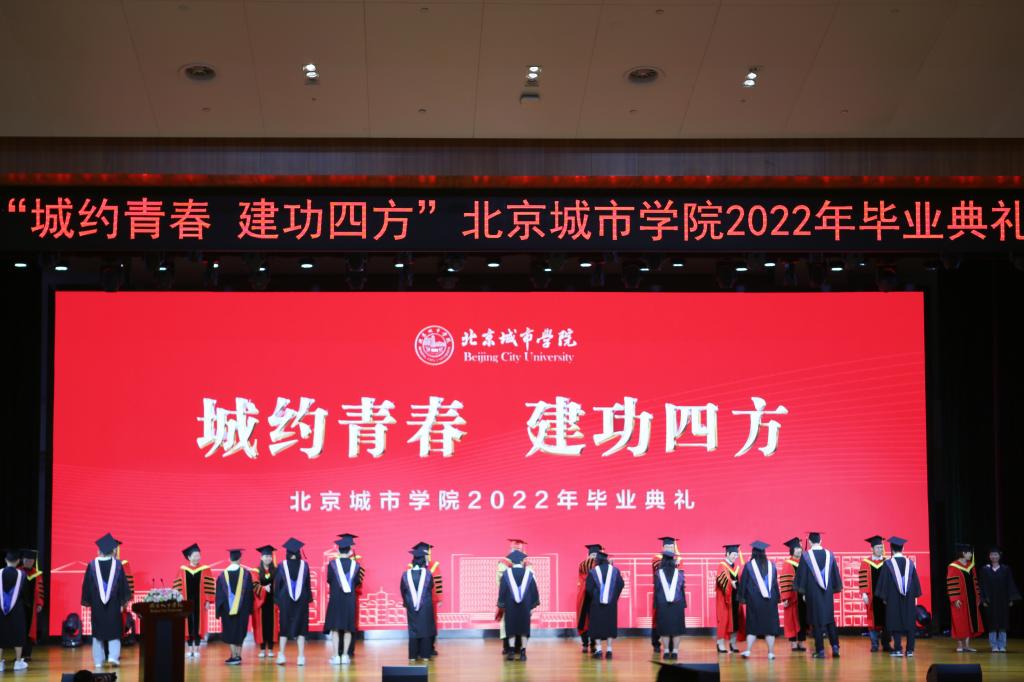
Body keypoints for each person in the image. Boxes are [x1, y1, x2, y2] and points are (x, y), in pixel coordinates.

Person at [80, 533, 131, 669]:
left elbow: (87, 585)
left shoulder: (92, 565)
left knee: (97, 633)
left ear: (100, 550)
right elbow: (123, 585)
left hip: (97, 604)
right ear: (112, 550)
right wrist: (123, 602)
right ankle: (113, 657)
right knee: (114, 630)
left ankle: (98, 660)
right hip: (114, 603)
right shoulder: (118, 565)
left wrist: (89, 601)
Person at [795, 531, 841, 658]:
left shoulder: (806, 556)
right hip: (827, 594)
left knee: (816, 621)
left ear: (809, 542)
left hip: (813, 593)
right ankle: (835, 647)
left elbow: (802, 576)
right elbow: (835, 574)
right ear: (821, 541)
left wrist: (803, 592)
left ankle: (820, 650)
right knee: (830, 620)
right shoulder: (829, 555)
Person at [875, 536, 921, 657]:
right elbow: (915, 583)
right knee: (910, 621)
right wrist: (915, 596)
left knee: (895, 621)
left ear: (891, 549)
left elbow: (884, 583)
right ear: (903, 548)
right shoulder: (910, 563)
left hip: (893, 598)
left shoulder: (888, 564)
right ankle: (910, 650)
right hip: (909, 598)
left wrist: (884, 597)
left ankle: (898, 649)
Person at [171, 543, 215, 659]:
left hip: (200, 602)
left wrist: (208, 601)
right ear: (189, 557)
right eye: (195, 555)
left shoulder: (205, 569)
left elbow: (209, 586)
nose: (197, 557)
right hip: (186, 602)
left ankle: (196, 649)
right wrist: (178, 600)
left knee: (198, 625)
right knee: (188, 624)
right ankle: (190, 648)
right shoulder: (182, 570)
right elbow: (177, 586)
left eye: (198, 555)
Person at [737, 540, 780, 660]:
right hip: (770, 602)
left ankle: (748, 651)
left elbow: (743, 583)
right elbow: (775, 584)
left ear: (753, 552)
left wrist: (741, 598)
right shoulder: (772, 565)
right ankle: (771, 653)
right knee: (769, 628)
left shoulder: (749, 566)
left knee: (753, 627)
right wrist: (777, 598)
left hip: (754, 601)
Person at [324, 534, 362, 665]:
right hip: (349, 600)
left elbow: (329, 580)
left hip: (336, 599)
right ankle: (345, 656)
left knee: (335, 628)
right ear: (350, 550)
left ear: (338, 550)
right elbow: (357, 582)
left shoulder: (332, 564)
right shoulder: (356, 566)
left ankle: (336, 656)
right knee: (348, 628)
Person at [274, 537, 311, 666]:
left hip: (285, 599)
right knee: (301, 627)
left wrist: (277, 599)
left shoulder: (281, 565)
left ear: (287, 552)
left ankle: (281, 655)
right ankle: (301, 657)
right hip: (302, 600)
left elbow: (278, 584)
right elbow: (307, 584)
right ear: (299, 552)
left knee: (284, 626)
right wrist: (308, 599)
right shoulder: (305, 565)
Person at [496, 549, 539, 662]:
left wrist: (501, 604)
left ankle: (511, 652)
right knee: (524, 628)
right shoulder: (529, 574)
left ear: (512, 562)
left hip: (510, 605)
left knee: (511, 627)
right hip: (525, 605)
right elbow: (534, 590)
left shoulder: (507, 574)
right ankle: (523, 653)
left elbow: (502, 590)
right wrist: (532, 605)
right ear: (522, 561)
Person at [215, 549, 253, 666]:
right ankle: (238, 655)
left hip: (227, 610)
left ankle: (234, 656)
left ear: (229, 559)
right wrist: (249, 608)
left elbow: (219, 595)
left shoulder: (222, 575)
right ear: (240, 559)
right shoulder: (246, 574)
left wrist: (219, 610)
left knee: (230, 631)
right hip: (243, 609)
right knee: (240, 631)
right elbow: (249, 593)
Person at [980, 546, 1020, 653]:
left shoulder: (1005, 569)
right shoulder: (985, 569)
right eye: (992, 555)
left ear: (999, 556)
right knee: (992, 623)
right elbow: (982, 585)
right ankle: (994, 646)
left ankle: (1002, 645)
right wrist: (983, 599)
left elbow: (1010, 583)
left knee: (1003, 623)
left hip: (1003, 600)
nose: (994, 556)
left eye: (996, 554)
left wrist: (1011, 598)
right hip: (990, 601)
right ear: (989, 556)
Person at [586, 550, 624, 660]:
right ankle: (609, 650)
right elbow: (621, 584)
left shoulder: (593, 571)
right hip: (611, 603)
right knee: (609, 624)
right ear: (607, 559)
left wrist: (595, 597)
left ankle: (598, 650)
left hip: (596, 603)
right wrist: (613, 596)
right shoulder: (615, 571)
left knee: (597, 625)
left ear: (597, 560)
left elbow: (588, 589)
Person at [401, 548, 436, 663]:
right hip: (425, 605)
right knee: (425, 628)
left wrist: (406, 602)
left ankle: (413, 655)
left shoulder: (406, 574)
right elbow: (431, 587)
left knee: (413, 629)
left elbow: (403, 590)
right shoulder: (428, 574)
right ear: (423, 562)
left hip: (411, 605)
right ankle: (425, 655)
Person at [947, 543, 984, 652]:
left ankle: (967, 645)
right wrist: (955, 599)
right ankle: (960, 645)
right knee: (960, 622)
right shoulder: (953, 566)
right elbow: (951, 583)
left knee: (969, 622)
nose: (971, 555)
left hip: (971, 599)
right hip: (960, 599)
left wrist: (977, 597)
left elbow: (975, 582)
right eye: (969, 553)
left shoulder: (971, 566)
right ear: (963, 553)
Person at [859, 535, 892, 652]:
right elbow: (863, 579)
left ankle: (886, 643)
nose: (880, 550)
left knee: (887, 620)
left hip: (885, 597)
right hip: (871, 597)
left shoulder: (887, 562)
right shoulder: (865, 563)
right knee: (872, 621)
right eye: (878, 547)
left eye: (881, 547)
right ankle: (874, 644)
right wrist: (863, 594)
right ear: (871, 549)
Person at [495, 538, 527, 657]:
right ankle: (508, 647)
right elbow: (500, 580)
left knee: (518, 621)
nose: (518, 550)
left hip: (518, 597)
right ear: (511, 549)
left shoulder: (526, 562)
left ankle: (517, 647)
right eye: (516, 548)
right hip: (511, 596)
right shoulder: (504, 562)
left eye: (519, 548)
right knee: (507, 621)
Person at [653, 548, 685, 660]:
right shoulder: (680, 573)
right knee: (677, 629)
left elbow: (657, 589)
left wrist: (656, 604)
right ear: (673, 561)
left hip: (663, 604)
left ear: (663, 561)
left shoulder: (658, 574)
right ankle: (675, 652)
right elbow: (682, 589)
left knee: (664, 628)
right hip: (677, 604)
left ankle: (666, 651)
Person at [0, 550, 29, 672]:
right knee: (18, 634)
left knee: (0, 634)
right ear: (18, 561)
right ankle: (18, 662)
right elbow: (26, 593)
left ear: (5, 560)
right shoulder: (22, 575)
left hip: (0, 610)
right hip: (17, 609)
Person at [650, 537, 679, 653]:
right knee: (658, 618)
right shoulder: (656, 558)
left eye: (671, 547)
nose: (669, 549)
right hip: (661, 593)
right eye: (667, 547)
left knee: (671, 618)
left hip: (674, 595)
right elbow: (660, 569)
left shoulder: (677, 559)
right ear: (663, 547)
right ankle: (656, 643)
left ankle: (671, 645)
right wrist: (674, 563)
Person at [715, 544, 744, 654]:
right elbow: (722, 579)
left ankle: (733, 643)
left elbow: (740, 579)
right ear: (727, 554)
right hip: (725, 599)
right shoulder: (722, 565)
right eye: (733, 554)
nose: (735, 557)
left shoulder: (736, 567)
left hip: (735, 599)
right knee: (723, 621)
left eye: (736, 555)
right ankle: (720, 644)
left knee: (736, 621)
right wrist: (731, 583)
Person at [779, 537, 807, 652]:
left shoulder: (804, 562)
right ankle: (793, 642)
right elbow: (785, 581)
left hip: (803, 597)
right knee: (792, 620)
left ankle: (801, 641)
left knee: (802, 619)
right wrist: (785, 598)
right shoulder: (787, 564)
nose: (799, 550)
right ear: (791, 550)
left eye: (800, 548)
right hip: (792, 597)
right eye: (796, 548)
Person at [252, 545, 279, 659]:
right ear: (261, 557)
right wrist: (263, 589)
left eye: (269, 556)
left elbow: (280, 584)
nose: (268, 558)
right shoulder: (256, 571)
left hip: (272, 602)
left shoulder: (276, 570)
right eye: (266, 556)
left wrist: (272, 589)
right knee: (261, 625)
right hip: (261, 603)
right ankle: (262, 649)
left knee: (272, 625)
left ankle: (271, 648)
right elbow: (254, 585)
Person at [17, 549, 43, 662]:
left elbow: (39, 590)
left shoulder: (36, 574)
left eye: (31, 560)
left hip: (31, 607)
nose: (29, 562)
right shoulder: (17, 571)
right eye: (27, 559)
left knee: (29, 630)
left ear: (33, 561)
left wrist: (40, 603)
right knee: (19, 629)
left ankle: (27, 654)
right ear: (22, 560)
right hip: (18, 606)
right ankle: (19, 655)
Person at [576, 544, 601, 654]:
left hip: (583, 594)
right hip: (595, 594)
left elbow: (580, 579)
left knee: (583, 619)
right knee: (594, 619)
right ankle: (593, 644)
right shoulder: (599, 564)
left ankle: (585, 644)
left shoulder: (582, 564)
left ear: (588, 554)